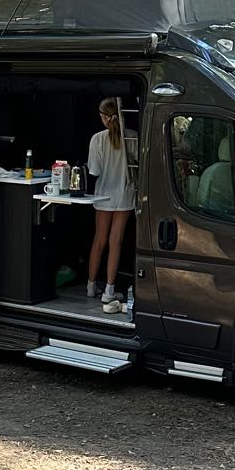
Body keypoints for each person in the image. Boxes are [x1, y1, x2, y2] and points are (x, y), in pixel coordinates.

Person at [86, 96, 136, 312]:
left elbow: (94, 171)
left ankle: (90, 285)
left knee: (99, 240)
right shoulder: (133, 137)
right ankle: (109, 290)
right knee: (116, 242)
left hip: (103, 195)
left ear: (104, 117)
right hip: (124, 194)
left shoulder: (97, 139)